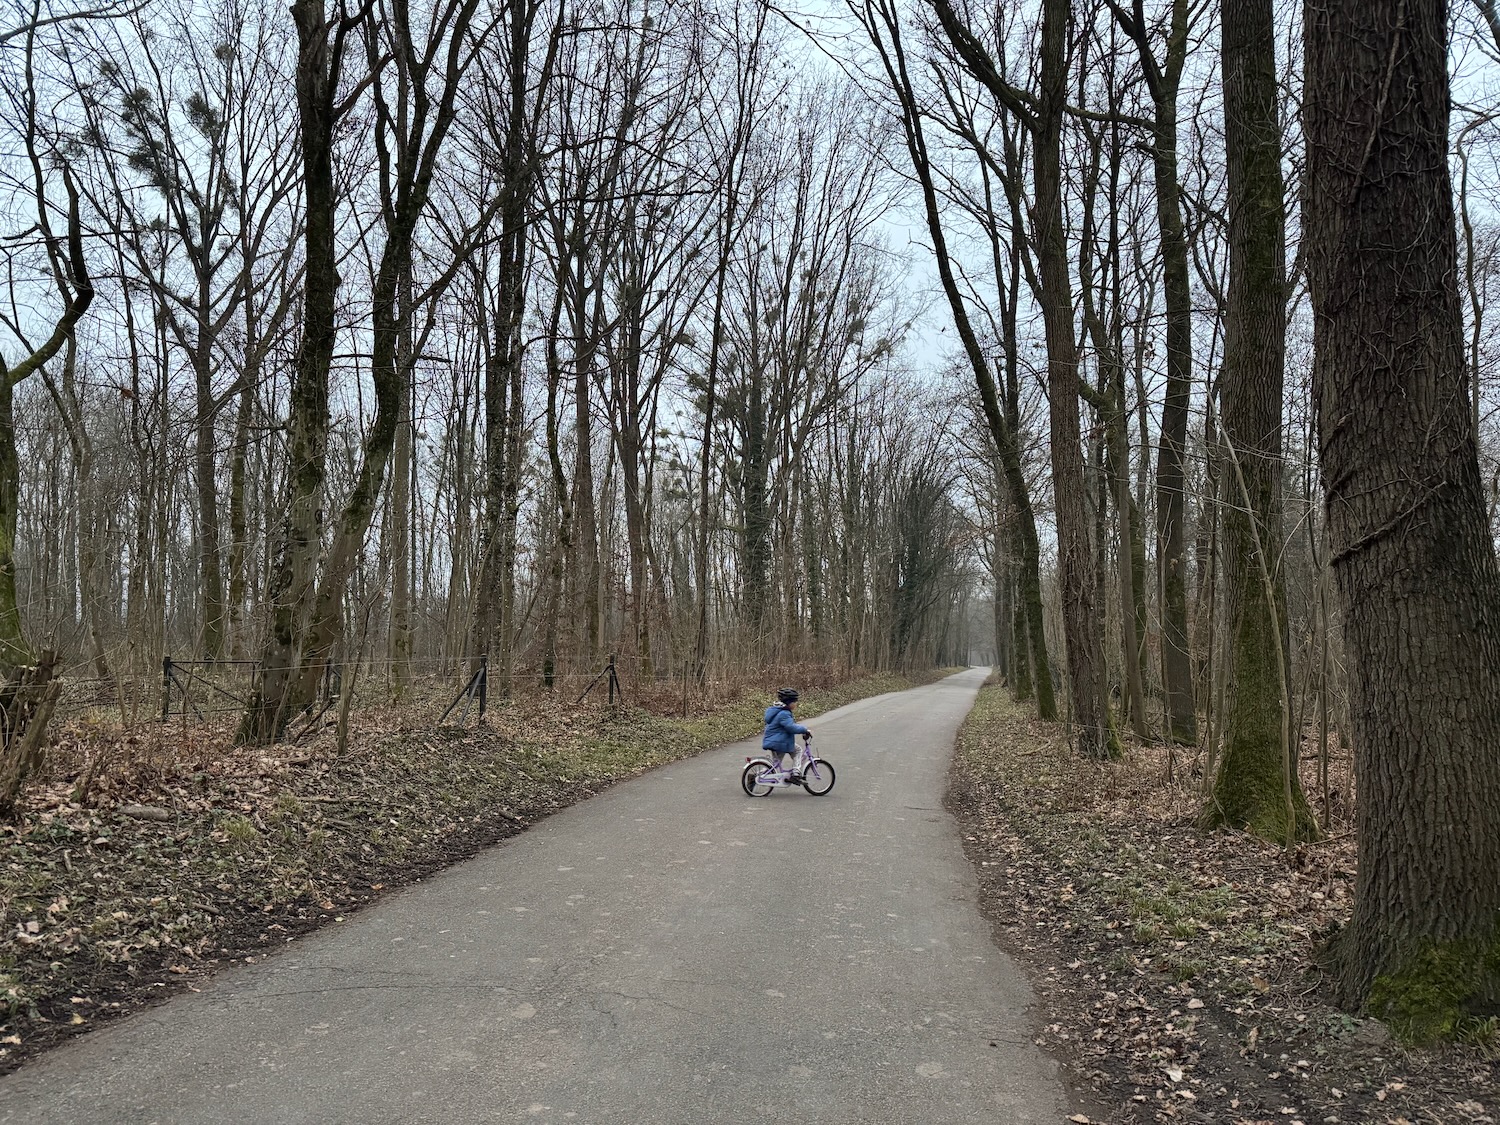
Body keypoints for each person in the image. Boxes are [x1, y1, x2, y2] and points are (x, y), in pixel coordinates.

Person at [762, 687, 810, 777]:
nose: (796, 704)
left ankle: (757, 776)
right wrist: (804, 729)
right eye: (795, 702)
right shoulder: (784, 713)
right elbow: (791, 727)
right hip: (779, 742)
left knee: (774, 764)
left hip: (776, 740)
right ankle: (796, 772)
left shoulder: (778, 710)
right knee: (798, 751)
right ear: (789, 702)